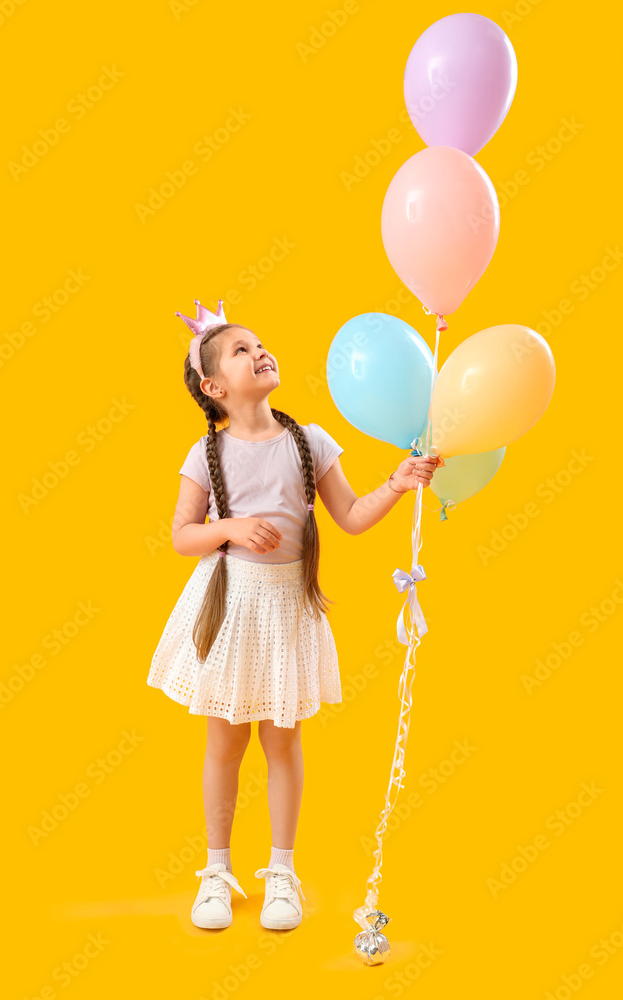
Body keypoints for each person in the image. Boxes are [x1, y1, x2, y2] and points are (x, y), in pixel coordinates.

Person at [146, 299, 441, 932]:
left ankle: (282, 872)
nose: (259, 351)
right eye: (240, 350)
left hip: (284, 608)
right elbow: (180, 536)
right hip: (230, 608)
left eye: (260, 342)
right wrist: (230, 526)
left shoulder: (309, 442)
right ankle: (217, 871)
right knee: (225, 740)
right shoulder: (207, 455)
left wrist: (397, 482)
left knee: (282, 740)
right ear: (215, 386)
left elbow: (353, 517)